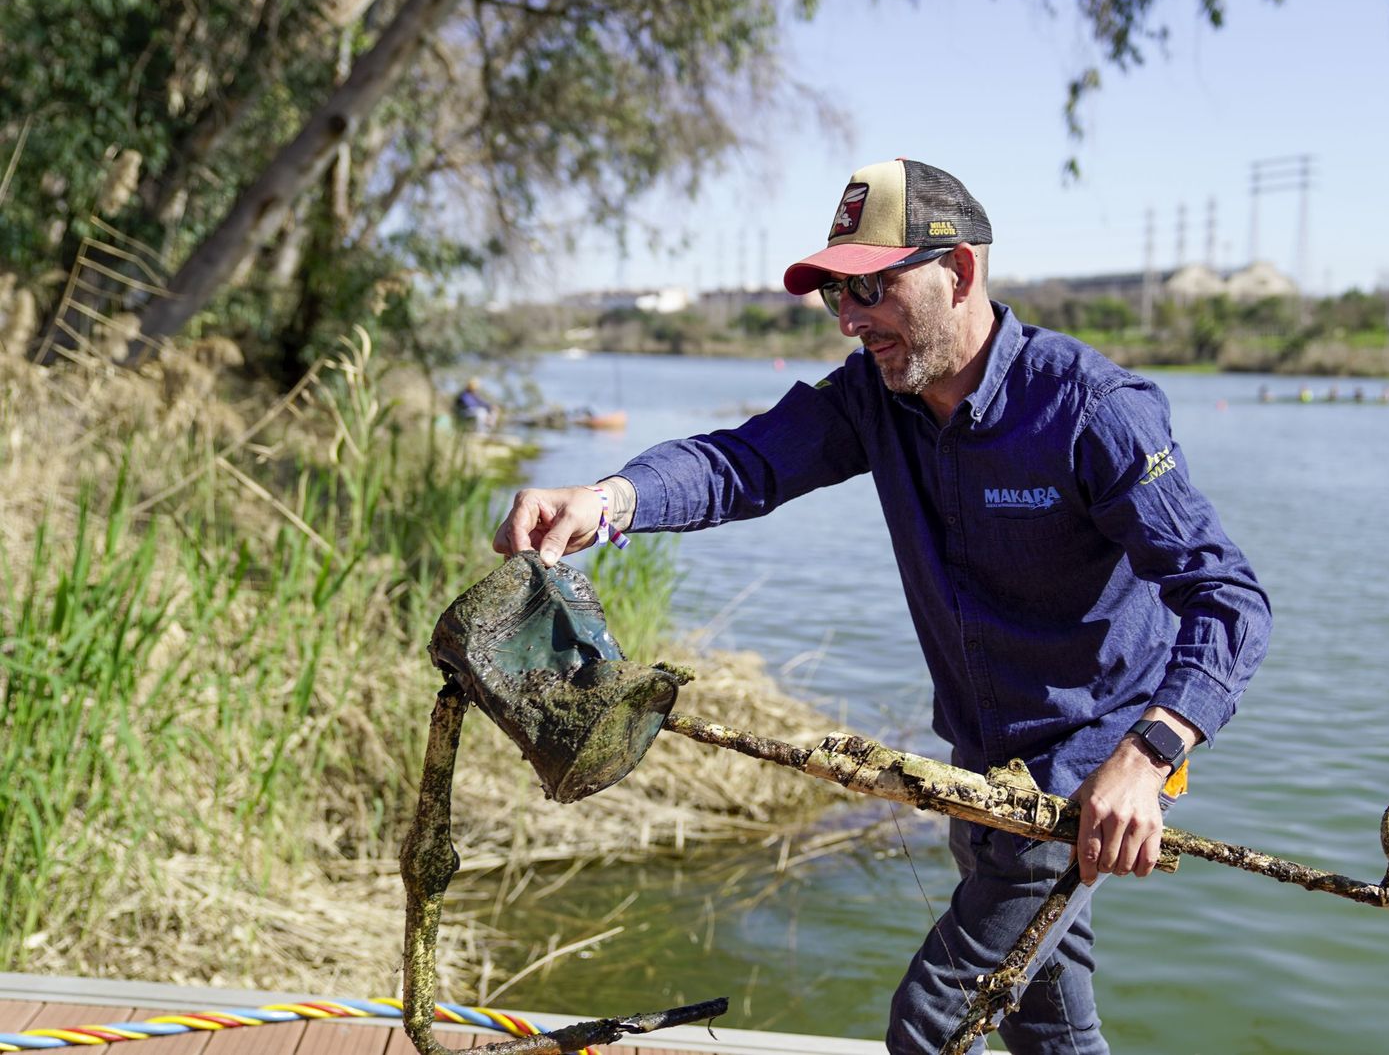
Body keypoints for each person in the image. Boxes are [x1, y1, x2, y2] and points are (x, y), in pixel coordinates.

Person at [493, 158, 1271, 1054]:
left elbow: (1229, 598)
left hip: (1084, 778)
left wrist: (1150, 754)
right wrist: (608, 500)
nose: (852, 319)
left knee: (933, 1019)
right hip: (974, 769)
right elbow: (741, 462)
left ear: (961, 273)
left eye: (873, 287)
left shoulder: (1092, 410)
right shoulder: (875, 398)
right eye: (836, 295)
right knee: (1048, 1024)